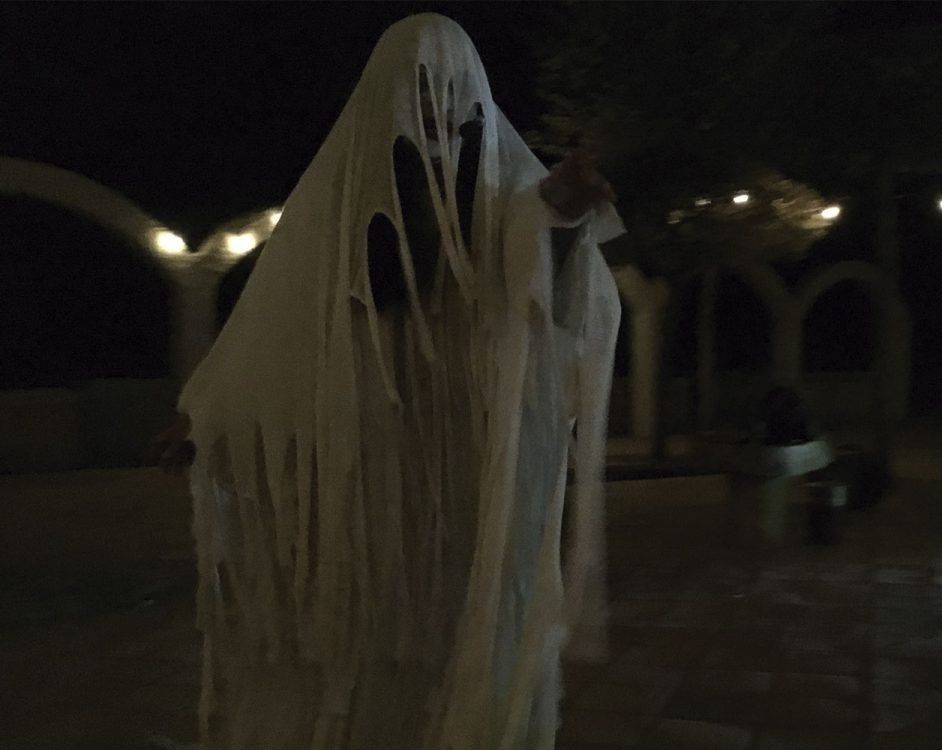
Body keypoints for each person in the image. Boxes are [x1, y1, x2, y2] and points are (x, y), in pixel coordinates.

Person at [150, 15, 621, 750]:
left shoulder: (505, 188)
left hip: (465, 443)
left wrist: (559, 223)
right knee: (375, 610)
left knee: (459, 601)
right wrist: (208, 416)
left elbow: (544, 302)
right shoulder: (340, 203)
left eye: (450, 85)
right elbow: (277, 324)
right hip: (369, 443)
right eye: (420, 86)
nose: (436, 103)